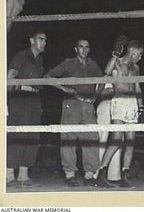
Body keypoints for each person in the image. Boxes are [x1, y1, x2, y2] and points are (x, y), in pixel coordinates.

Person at [45, 38, 104, 187]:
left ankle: (89, 175)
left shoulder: (93, 64)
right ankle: (70, 174)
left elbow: (102, 80)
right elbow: (48, 77)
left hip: (88, 105)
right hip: (71, 104)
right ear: (76, 49)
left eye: (86, 47)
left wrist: (96, 96)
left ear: (89, 49)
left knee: (91, 138)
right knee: (68, 139)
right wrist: (65, 89)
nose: (84, 50)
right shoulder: (68, 63)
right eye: (81, 47)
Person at [96, 38, 144, 188]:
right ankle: (101, 172)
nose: (140, 57)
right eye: (139, 54)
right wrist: (116, 54)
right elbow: (107, 72)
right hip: (119, 101)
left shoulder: (136, 68)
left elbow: (137, 88)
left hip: (132, 104)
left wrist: (141, 105)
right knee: (116, 140)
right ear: (132, 52)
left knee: (130, 142)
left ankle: (125, 175)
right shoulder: (117, 63)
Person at [6, 29, 47, 187]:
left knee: (32, 137)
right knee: (17, 136)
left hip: (34, 103)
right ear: (32, 40)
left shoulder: (40, 60)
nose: (44, 43)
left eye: (45, 40)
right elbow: (8, 82)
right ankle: (9, 175)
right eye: (41, 39)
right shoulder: (21, 57)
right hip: (20, 102)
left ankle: (23, 175)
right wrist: (27, 88)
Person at [96, 36, 129, 184]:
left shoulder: (126, 67)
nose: (121, 49)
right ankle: (96, 175)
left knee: (118, 140)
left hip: (121, 105)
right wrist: (115, 54)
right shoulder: (109, 64)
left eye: (123, 47)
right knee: (102, 139)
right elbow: (101, 88)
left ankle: (114, 176)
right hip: (106, 104)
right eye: (119, 46)